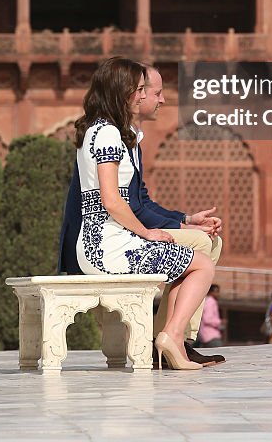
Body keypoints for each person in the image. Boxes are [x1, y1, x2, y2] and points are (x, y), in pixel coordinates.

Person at [58, 60, 224, 366]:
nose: (157, 98)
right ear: (126, 94)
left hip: (109, 239)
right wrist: (147, 233)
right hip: (104, 246)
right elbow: (111, 200)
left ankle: (171, 339)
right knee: (200, 265)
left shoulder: (115, 133)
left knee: (195, 257)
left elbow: (135, 199)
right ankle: (171, 338)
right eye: (145, 90)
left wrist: (184, 220)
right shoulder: (107, 133)